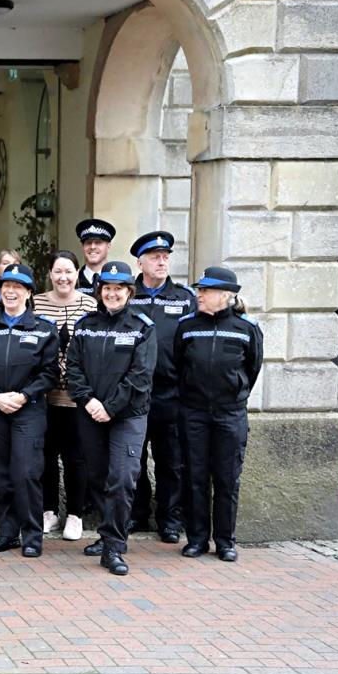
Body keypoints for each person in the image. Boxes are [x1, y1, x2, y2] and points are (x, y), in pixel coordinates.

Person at [66, 260, 157, 576]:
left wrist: (110, 407)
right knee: (99, 477)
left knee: (121, 477)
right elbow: (73, 368)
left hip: (127, 416)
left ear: (129, 292)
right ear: (99, 290)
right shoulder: (85, 324)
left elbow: (140, 377)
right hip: (90, 413)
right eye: (108, 288)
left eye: (119, 288)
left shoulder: (142, 328)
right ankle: (108, 535)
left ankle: (114, 548)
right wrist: (89, 401)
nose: (113, 294)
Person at [0, 264, 60, 558]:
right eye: (6, 285)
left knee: (26, 472)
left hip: (28, 410)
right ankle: (7, 533)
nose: (10, 291)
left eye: (18, 286)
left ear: (29, 292)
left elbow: (49, 374)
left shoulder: (44, 329)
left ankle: (32, 535)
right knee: (1, 473)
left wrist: (23, 395)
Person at [175, 267, 263, 563]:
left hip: (230, 413)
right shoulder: (186, 326)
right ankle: (197, 538)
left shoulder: (246, 328)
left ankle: (225, 540)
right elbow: (179, 365)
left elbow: (252, 369)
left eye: (206, 291)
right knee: (195, 476)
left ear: (226, 295)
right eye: (199, 290)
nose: (199, 295)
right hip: (194, 412)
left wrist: (233, 392)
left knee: (227, 479)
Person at [127, 231, 196, 543]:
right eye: (155, 257)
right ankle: (137, 514)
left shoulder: (184, 299)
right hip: (133, 393)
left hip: (171, 393)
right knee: (133, 458)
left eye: (166, 256)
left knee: (171, 460)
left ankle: (169, 519)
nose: (162, 261)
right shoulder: (127, 296)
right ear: (140, 262)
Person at [30, 250, 98, 541]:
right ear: (50, 274)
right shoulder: (37, 303)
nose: (63, 277)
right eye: (58, 271)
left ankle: (75, 514)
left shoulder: (90, 304)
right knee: (46, 455)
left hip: (77, 398)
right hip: (44, 397)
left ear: (76, 273)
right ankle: (49, 511)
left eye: (69, 271)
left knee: (76, 458)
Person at [74, 218, 116, 296]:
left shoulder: (118, 280)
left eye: (98, 242)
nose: (92, 247)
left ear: (109, 246)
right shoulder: (72, 280)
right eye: (88, 243)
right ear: (82, 246)